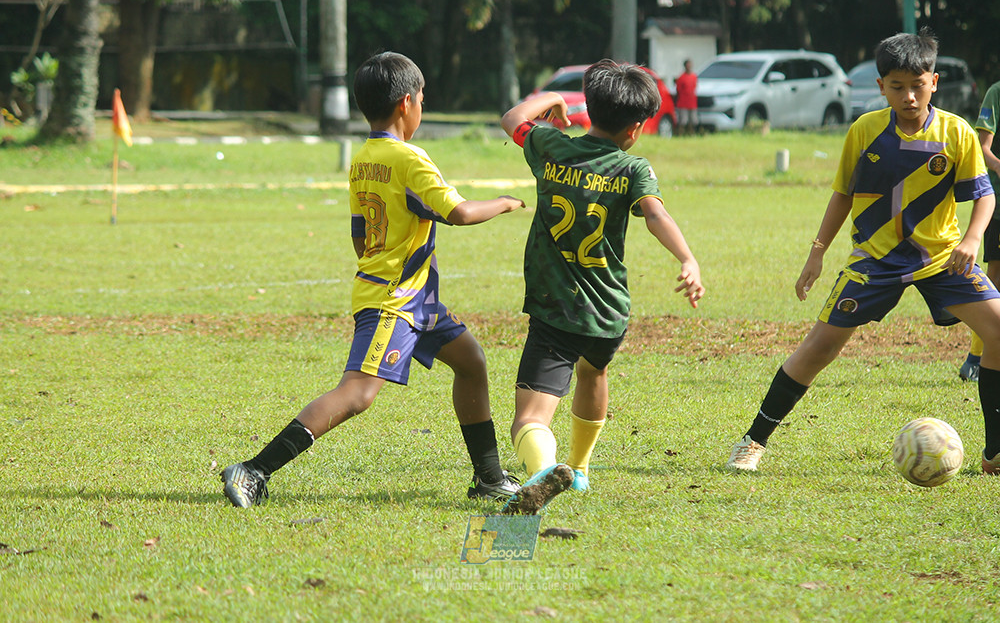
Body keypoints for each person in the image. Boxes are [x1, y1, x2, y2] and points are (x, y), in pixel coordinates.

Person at [221, 51, 526, 508]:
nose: (423, 104)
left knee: (471, 362)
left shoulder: (363, 158)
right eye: (422, 97)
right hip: (395, 302)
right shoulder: (409, 160)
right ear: (406, 103)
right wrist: (505, 202)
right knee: (359, 393)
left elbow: (359, 236)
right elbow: (459, 212)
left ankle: (489, 477)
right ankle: (253, 470)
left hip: (416, 300)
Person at [725, 28, 1000, 475]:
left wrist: (971, 239)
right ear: (880, 87)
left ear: (934, 81)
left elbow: (983, 195)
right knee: (820, 347)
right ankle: (753, 440)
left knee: (999, 331)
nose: (909, 96)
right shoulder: (865, 131)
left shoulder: (958, 132)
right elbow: (842, 195)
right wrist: (816, 253)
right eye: (897, 87)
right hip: (875, 262)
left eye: (918, 84)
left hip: (941, 259)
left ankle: (995, 453)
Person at [498, 59, 705, 514]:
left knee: (530, 418)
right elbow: (655, 215)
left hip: (555, 307)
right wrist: (687, 258)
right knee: (594, 372)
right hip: (608, 310)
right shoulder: (631, 168)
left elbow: (513, 119)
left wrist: (552, 100)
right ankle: (581, 470)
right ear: (635, 128)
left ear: (589, 110)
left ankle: (541, 472)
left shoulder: (549, 145)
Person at [957, 78, 1000, 383]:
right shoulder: (996, 92)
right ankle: (976, 356)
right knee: (995, 274)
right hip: (998, 203)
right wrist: (998, 165)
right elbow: (982, 148)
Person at [674, 59, 698, 136]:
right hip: (683, 103)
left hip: (692, 103)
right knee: (683, 121)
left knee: (693, 121)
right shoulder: (681, 77)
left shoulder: (694, 76)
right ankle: (680, 134)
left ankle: (691, 134)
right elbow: (678, 90)